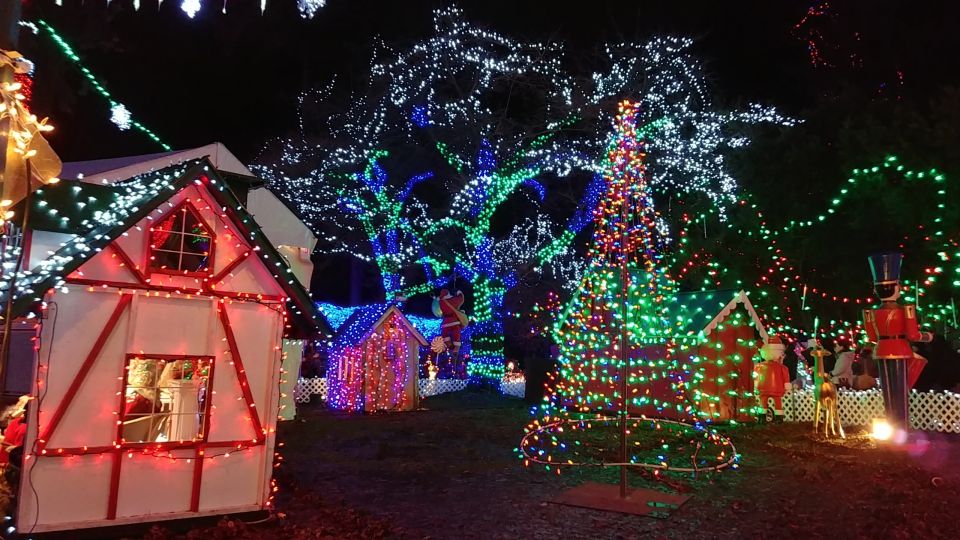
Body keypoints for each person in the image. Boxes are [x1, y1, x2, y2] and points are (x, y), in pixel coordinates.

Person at [863, 252, 934, 431]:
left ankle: (892, 425)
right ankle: (902, 426)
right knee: (901, 390)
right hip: (900, 349)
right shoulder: (906, 310)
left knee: (887, 391)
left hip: (881, 350)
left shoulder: (870, 313)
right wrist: (928, 336)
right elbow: (913, 335)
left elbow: (872, 337)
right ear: (896, 288)